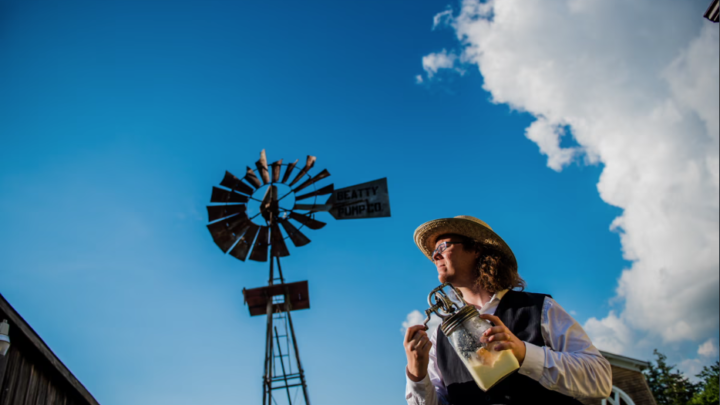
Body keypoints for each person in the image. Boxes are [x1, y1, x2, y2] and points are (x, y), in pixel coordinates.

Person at [404, 215, 612, 405]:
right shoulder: (440, 336)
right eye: (434, 252)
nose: (435, 257)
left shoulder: (539, 309)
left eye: (443, 246)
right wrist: (417, 374)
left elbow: (601, 380)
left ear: (476, 249)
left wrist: (524, 353)